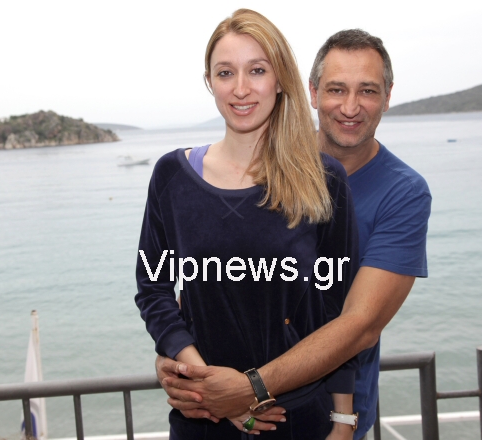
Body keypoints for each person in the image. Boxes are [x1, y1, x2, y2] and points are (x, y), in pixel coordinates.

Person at [156, 29, 432, 440]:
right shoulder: (254, 169)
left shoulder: (403, 192)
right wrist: (177, 361)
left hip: (325, 416)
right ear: (313, 93)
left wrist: (247, 390)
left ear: (387, 97)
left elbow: (359, 323)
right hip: (221, 411)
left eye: (368, 91)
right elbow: (205, 286)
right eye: (336, 89)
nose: (350, 107)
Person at [135, 10, 361, 439]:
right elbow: (154, 290)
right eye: (225, 73)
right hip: (203, 422)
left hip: (296, 419)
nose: (240, 88)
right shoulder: (171, 177)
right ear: (210, 82)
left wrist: (344, 420)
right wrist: (211, 390)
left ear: (280, 79)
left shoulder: (324, 180)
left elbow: (338, 313)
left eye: (257, 70)